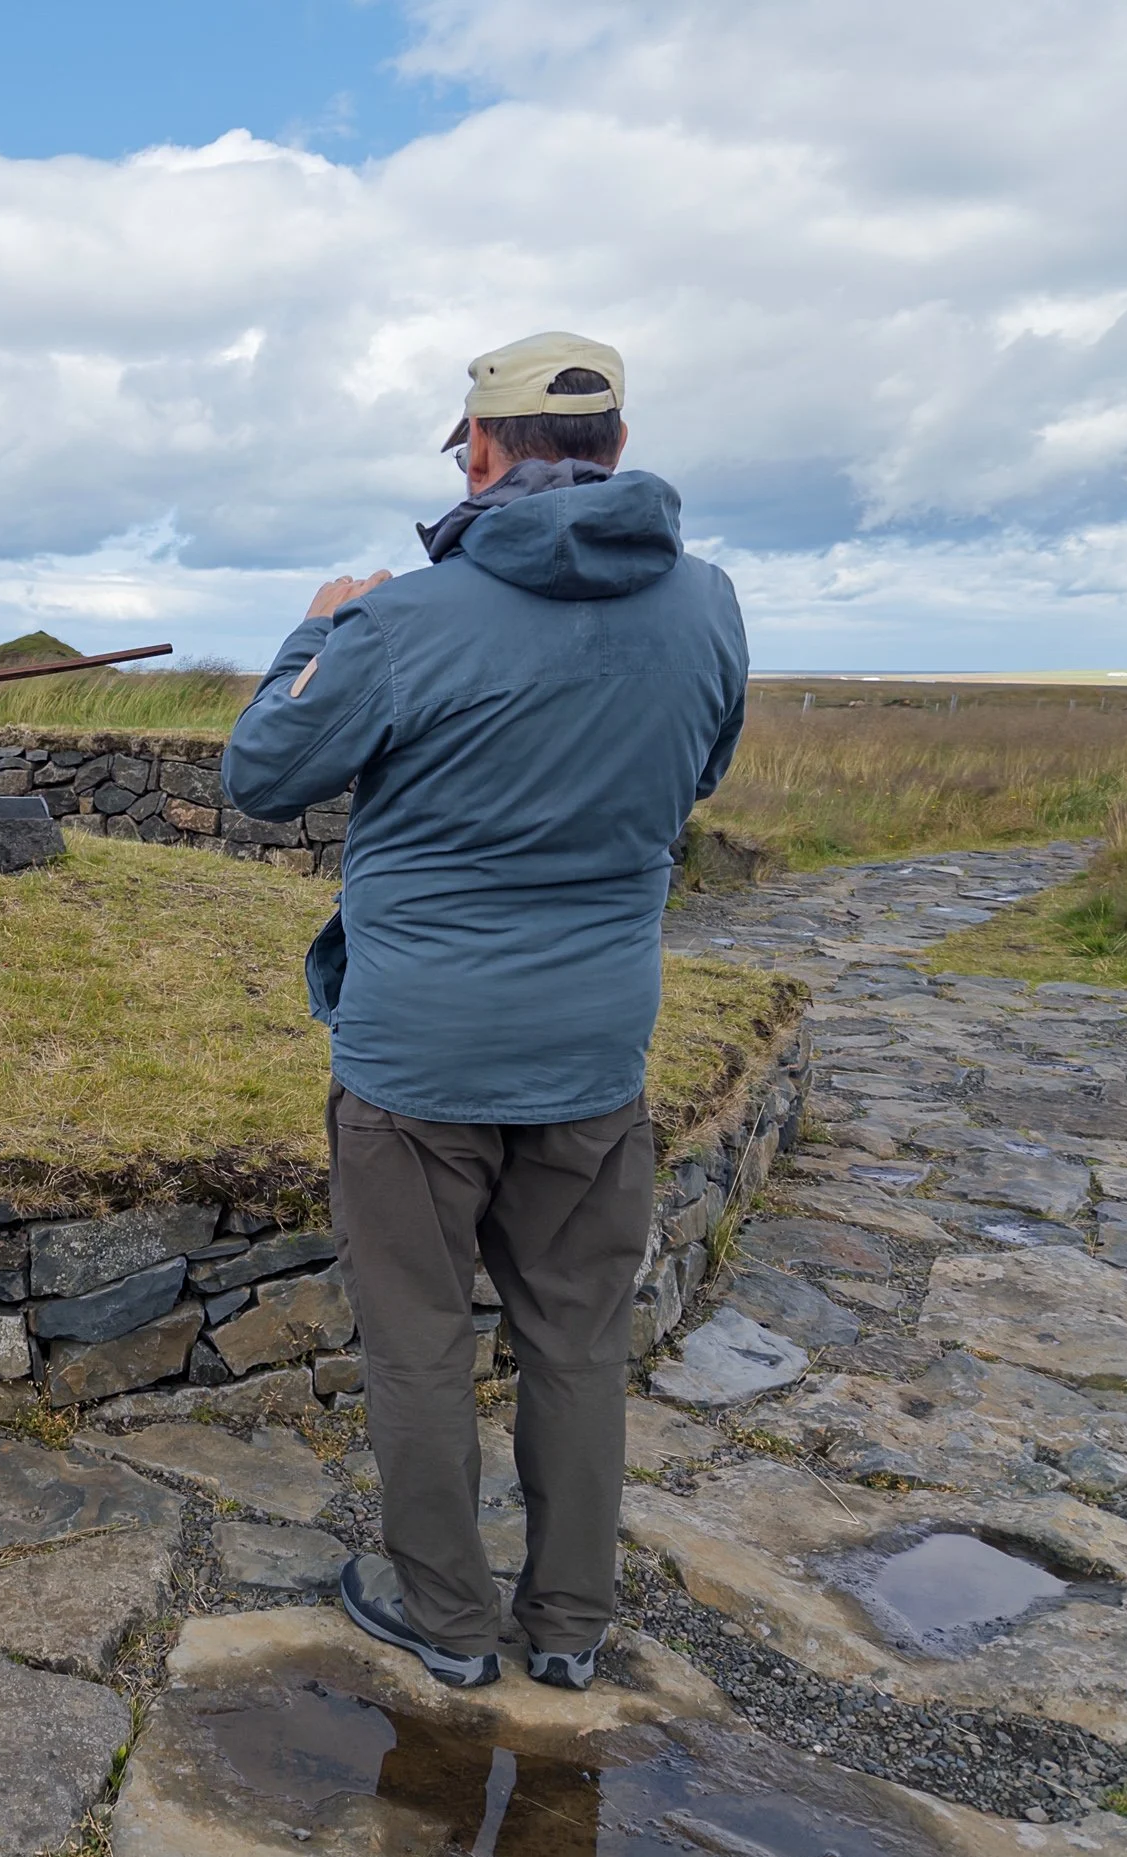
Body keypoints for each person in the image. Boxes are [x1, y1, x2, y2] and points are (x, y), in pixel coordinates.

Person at [221, 331, 749, 1690]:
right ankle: (569, 1625)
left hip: (418, 1056)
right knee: (578, 1343)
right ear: (618, 450)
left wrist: (322, 622)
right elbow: (695, 776)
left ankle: (449, 1622)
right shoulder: (711, 609)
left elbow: (263, 771)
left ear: (482, 447)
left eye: (465, 441)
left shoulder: (399, 620)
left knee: (419, 1343)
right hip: (593, 1051)